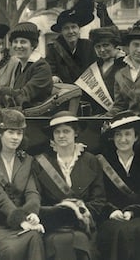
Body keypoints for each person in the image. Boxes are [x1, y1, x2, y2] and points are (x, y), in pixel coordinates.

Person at [32, 111, 110, 260]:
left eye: (66, 131)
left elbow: (99, 200)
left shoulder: (91, 161)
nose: (62, 136)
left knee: (79, 241)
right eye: (57, 132)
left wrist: (78, 216)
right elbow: (37, 200)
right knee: (60, 241)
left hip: (85, 226)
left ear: (76, 133)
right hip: (53, 227)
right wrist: (59, 214)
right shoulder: (40, 163)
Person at [0, 109, 45, 260]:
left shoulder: (27, 160)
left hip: (23, 221)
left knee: (35, 237)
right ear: (0, 133)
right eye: (11, 132)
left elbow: (32, 191)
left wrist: (32, 214)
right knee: (11, 250)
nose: (15, 137)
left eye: (19, 133)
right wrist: (20, 219)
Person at [96, 111, 140, 260]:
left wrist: (132, 211)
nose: (123, 139)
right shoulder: (102, 161)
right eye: (118, 135)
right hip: (110, 216)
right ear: (112, 138)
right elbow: (97, 193)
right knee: (117, 230)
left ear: (136, 137)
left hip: (138, 215)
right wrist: (111, 211)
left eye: (127, 134)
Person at [0, 21, 53, 110]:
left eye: (23, 42)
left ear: (33, 45)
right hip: (19, 114)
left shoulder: (41, 67)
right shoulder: (20, 65)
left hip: (34, 118)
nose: (18, 46)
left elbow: (23, 95)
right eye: (15, 42)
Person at [45, 0, 97, 84]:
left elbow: (97, 68)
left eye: (73, 27)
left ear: (79, 28)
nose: (71, 31)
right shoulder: (53, 49)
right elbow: (50, 69)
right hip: (65, 92)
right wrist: (54, 76)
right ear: (61, 31)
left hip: (87, 91)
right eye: (66, 28)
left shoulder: (88, 46)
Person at [78, 26, 126, 115]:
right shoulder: (95, 67)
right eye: (98, 46)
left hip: (120, 115)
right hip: (97, 117)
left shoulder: (124, 65)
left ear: (114, 45)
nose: (102, 50)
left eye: (105, 45)